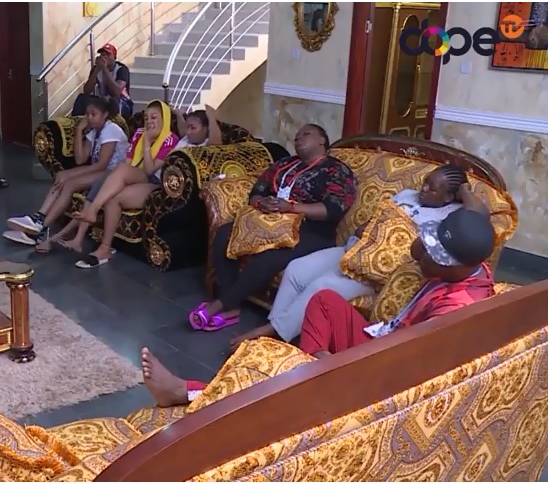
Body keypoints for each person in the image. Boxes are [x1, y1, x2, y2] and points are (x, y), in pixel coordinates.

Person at [139, 208, 498, 407]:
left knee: (273, 380)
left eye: (434, 255)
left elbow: (407, 371)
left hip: (387, 363)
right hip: (386, 337)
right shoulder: (469, 266)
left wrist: (347, 364)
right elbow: (418, 250)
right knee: (324, 300)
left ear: (454, 264)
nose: (422, 257)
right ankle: (313, 372)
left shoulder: (456, 310)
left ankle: (190, 391)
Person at [230, 165, 489, 349]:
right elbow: (377, 218)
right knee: (296, 269)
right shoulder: (406, 196)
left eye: (433, 189)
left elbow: (480, 214)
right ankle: (278, 336)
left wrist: (465, 190)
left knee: (322, 286)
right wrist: (365, 228)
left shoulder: (451, 218)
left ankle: (270, 334)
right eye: (425, 182)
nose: (424, 189)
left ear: (449, 196)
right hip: (353, 249)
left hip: (374, 270)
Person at [188, 124, 357, 331]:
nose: (298, 138)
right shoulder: (285, 164)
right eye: (297, 136)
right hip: (269, 222)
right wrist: (262, 203)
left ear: (322, 141)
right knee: (225, 234)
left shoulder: (336, 170)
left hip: (311, 230)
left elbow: (333, 210)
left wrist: (291, 207)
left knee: (267, 256)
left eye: (306, 134)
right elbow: (257, 192)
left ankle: (219, 305)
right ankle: (231, 307)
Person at [4, 96, 129, 252]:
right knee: (61, 176)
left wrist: (72, 174)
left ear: (105, 115)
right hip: (101, 170)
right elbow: (80, 159)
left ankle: (41, 228)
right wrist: (79, 131)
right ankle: (39, 217)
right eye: (87, 114)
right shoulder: (94, 132)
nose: (89, 118)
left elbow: (102, 164)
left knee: (69, 183)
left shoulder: (111, 130)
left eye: (93, 114)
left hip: (113, 174)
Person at [72, 99, 180, 268]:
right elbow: (129, 162)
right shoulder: (139, 133)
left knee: (120, 176)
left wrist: (147, 142)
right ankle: (105, 248)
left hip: (155, 182)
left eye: (154, 118)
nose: (149, 122)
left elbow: (150, 170)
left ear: (164, 119)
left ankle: (92, 211)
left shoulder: (170, 140)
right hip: (135, 174)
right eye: (146, 118)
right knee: (113, 193)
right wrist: (121, 181)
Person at [75, 43, 133, 118]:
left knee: (114, 101)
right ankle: (76, 121)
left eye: (108, 55)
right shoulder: (97, 69)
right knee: (82, 98)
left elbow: (117, 92)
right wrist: (97, 70)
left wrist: (104, 68)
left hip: (123, 102)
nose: (104, 57)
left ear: (114, 57)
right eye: (102, 54)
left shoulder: (121, 69)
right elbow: (86, 90)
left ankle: (115, 122)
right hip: (103, 101)